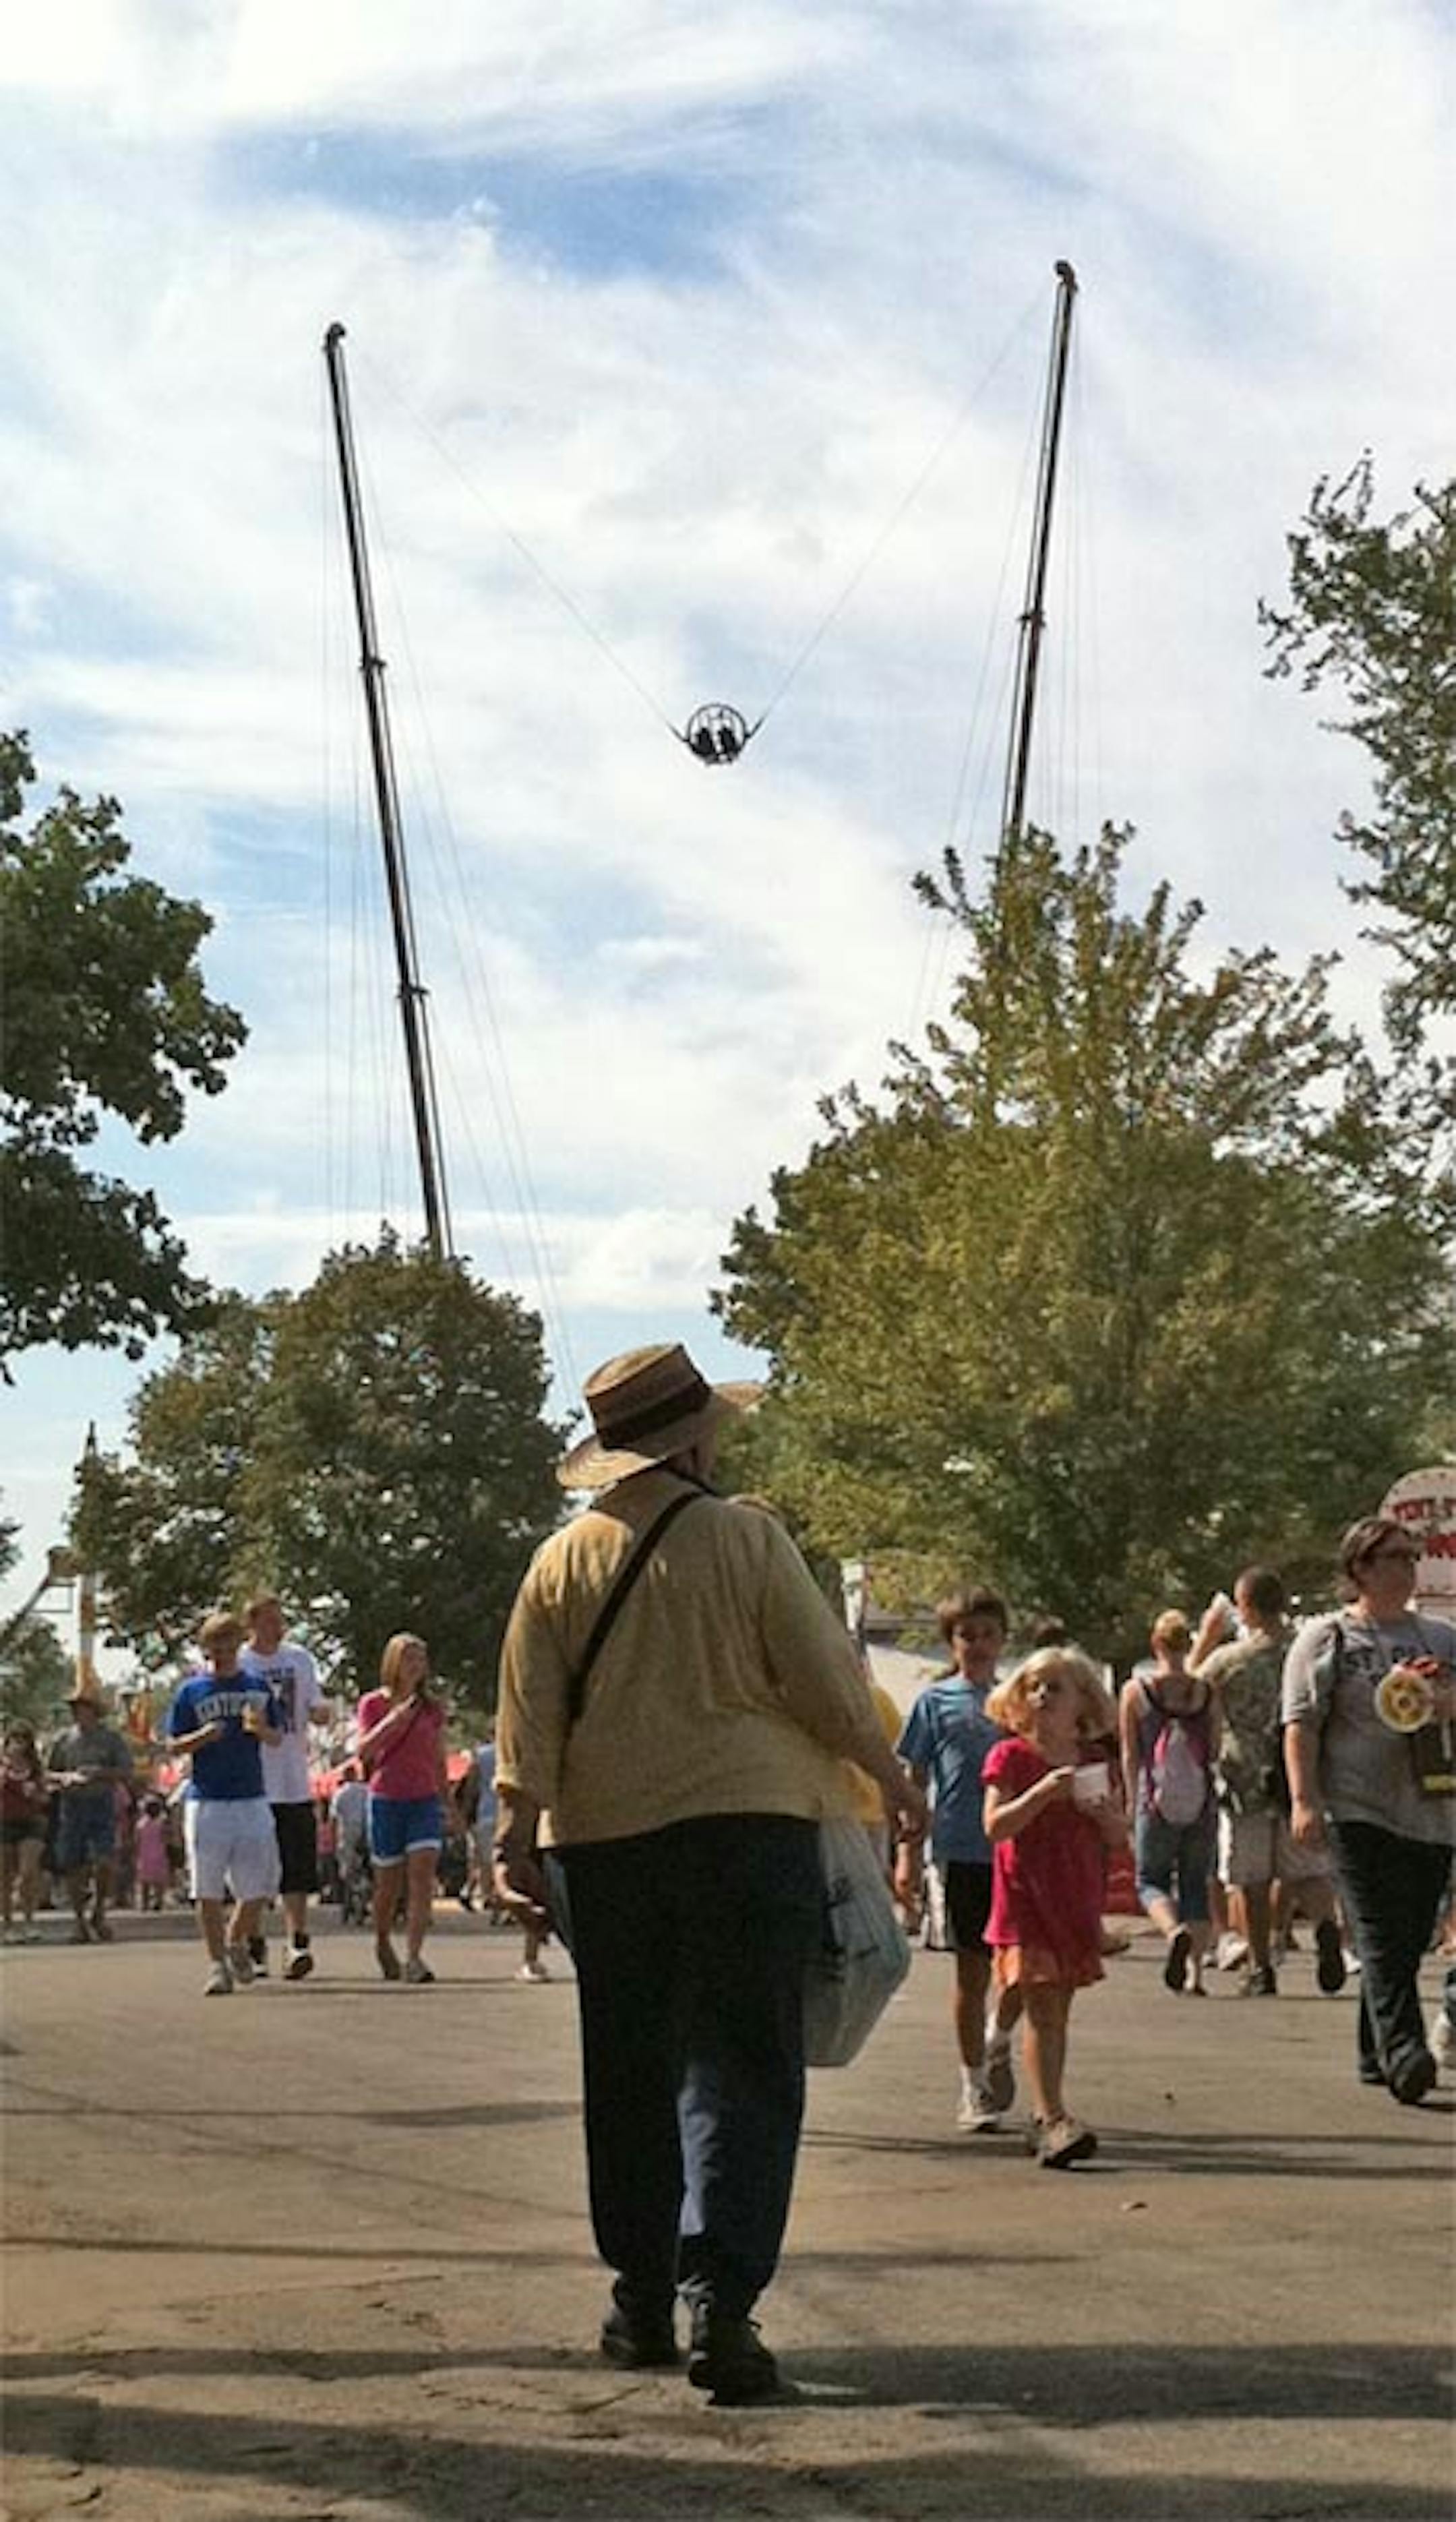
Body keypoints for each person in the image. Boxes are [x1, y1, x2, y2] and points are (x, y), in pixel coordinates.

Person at [492, 1342, 926, 2405]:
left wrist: (514, 1836)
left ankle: (639, 2298)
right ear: (691, 1441)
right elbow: (825, 1681)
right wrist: (891, 1777)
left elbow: (527, 1716)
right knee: (742, 2061)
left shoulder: (559, 1563)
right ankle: (723, 2310)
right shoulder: (746, 1538)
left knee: (628, 2065)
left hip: (605, 1841)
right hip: (747, 1829)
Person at [1283, 1516, 1456, 2105]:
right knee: (1380, 1930)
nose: (1407, 1569)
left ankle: (1372, 2051)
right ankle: (1406, 2053)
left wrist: (1446, 1699)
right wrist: (1305, 1799)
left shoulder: (1440, 1637)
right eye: (1393, 1558)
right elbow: (1301, 1724)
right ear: (1359, 1568)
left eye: (1411, 1557)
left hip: (1430, 1806)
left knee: (1409, 1935)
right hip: (1356, 1808)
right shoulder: (1327, 1638)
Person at [983, 1646, 1126, 2166]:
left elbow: (1117, 1836)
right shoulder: (1010, 1757)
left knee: (1056, 2009)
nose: (1043, 1694)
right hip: (1024, 1899)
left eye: (1056, 1687)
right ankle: (1052, 2117)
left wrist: (1106, 1816)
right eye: (1034, 1686)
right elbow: (995, 1825)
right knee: (1042, 2007)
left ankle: (1034, 2094)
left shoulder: (1094, 1764)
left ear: (1082, 1702)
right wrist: (1042, 1793)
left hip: (1073, 1898)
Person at [894, 1588, 1023, 2131]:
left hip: (1016, 1849)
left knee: (1025, 1966)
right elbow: (914, 1775)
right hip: (959, 1848)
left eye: (988, 1634)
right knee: (972, 1971)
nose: (978, 1644)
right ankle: (973, 2084)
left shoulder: (1018, 1700)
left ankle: (999, 2035)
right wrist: (908, 1854)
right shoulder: (935, 1701)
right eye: (967, 1635)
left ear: (1003, 1640)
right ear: (951, 1641)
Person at [1192, 1566, 1345, 1998]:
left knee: (1251, 1877)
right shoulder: (1306, 1653)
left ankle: (1260, 1965)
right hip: (1301, 1774)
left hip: (1246, 1777)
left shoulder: (1230, 1660)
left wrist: (1207, 1638)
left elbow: (1188, 1692)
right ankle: (1326, 1926)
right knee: (1309, 1869)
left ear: (1246, 1607)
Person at [164, 1611, 283, 1995]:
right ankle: (217, 1965)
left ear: (240, 1643)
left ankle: (236, 1939)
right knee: (208, 1888)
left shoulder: (257, 1687)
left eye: (229, 1642)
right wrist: (202, 1737)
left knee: (259, 1887)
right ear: (205, 1648)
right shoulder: (191, 1692)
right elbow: (173, 1744)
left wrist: (261, 1729)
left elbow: (277, 1736)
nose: (223, 1651)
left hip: (251, 1796)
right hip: (208, 1799)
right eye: (215, 1643)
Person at [1120, 1612, 1219, 1996]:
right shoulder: (1206, 1692)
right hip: (1200, 1801)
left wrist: (1132, 1802)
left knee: (1150, 1881)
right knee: (1196, 1883)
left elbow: (1130, 1753)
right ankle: (1196, 1974)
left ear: (1155, 1644)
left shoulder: (1138, 1692)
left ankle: (1173, 1930)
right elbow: (1213, 1749)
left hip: (1155, 1799)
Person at [240, 1595, 329, 1981]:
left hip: (293, 1780)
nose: (278, 1628)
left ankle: (297, 1942)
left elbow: (315, 1703)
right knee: (254, 1871)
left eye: (281, 1620)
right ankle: (254, 1943)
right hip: (253, 1782)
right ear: (252, 1624)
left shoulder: (300, 1660)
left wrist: (320, 1711)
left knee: (297, 1867)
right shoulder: (240, 1664)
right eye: (269, 1621)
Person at [356, 1635, 448, 1985]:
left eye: (420, 1659)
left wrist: (449, 1804)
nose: (415, 1666)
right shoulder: (373, 1704)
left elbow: (438, 1758)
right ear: (393, 1662)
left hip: (424, 1799)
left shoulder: (432, 1709)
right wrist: (392, 1721)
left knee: (422, 1877)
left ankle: (414, 1956)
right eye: (409, 1658)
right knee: (388, 1884)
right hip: (387, 1798)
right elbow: (363, 1750)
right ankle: (382, 1939)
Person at [46, 1687, 133, 1944]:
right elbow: (48, 1773)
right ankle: (79, 1921)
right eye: (74, 1708)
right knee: (73, 1864)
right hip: (72, 1805)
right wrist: (65, 1778)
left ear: (94, 1711)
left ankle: (99, 1911)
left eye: (82, 1707)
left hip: (101, 1802)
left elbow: (126, 1771)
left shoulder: (111, 1740)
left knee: (104, 1861)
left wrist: (100, 1773)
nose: (77, 1712)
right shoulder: (63, 1740)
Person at [1, 1722, 51, 1941]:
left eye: (22, 1740)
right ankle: (8, 1925)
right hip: (4, 1822)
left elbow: (46, 1798)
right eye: (14, 1740)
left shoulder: (35, 1769)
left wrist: (35, 1794)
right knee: (4, 1876)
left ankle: (29, 1921)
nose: (18, 1745)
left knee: (28, 1872)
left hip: (31, 1823)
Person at [133, 1795, 172, 1912]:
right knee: (158, 1881)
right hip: (159, 1855)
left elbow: (136, 1840)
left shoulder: (141, 1824)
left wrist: (135, 1853)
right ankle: (158, 1901)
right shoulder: (161, 1824)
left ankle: (145, 1903)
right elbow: (166, 1838)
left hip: (144, 1856)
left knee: (145, 1882)